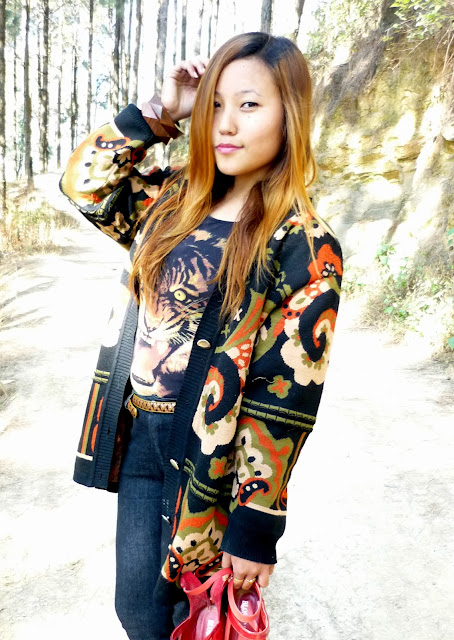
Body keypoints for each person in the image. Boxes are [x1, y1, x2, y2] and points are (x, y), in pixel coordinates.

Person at [60, 31, 342, 640]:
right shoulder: (173, 200)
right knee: (138, 609)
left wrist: (256, 525)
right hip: (141, 431)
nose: (226, 123)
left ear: (289, 116)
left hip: (210, 458)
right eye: (215, 104)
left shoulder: (303, 243)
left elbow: (286, 397)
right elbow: (83, 184)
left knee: (192, 614)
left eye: (249, 104)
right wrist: (162, 112)